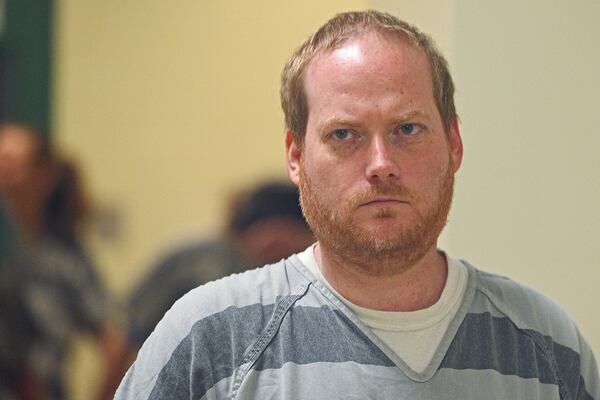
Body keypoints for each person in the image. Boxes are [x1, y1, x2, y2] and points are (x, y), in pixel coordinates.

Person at [115, 10, 599, 399]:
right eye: (344, 134)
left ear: (453, 143)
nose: (381, 164)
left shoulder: (546, 345)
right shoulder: (210, 339)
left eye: (407, 129)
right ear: (297, 156)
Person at [0, 123, 126, 400]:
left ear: (44, 176)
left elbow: (116, 343)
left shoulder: (61, 260)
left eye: (11, 162)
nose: (4, 173)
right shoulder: (21, 251)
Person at [126, 181, 314, 348]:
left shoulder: (314, 279)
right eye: (265, 229)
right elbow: (126, 334)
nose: (274, 238)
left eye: (286, 231)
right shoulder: (196, 263)